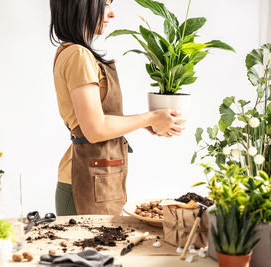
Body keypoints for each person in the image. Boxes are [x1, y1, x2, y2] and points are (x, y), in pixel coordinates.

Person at [50, 0, 186, 216]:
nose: (111, 14)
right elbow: (95, 129)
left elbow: (94, 121)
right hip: (85, 181)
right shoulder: (78, 55)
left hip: (97, 177)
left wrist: (144, 123)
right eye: (104, 4)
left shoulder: (71, 52)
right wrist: (150, 117)